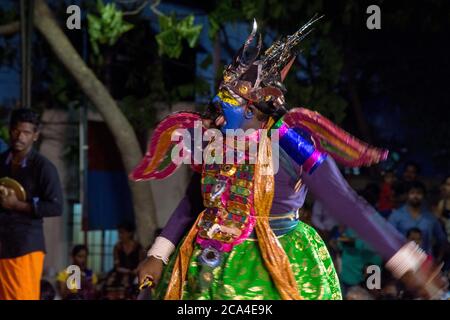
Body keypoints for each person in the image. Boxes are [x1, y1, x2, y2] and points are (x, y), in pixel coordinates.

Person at [134, 18, 447, 300]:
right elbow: (194, 201)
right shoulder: (217, 140)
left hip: (277, 268)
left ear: (251, 109)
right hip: (205, 269)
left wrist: (409, 263)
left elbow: (350, 207)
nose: (215, 119)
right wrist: (159, 254)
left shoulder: (293, 145)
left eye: (224, 107)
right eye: (216, 106)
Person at [0, 108, 63, 300]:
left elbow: (55, 206)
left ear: (35, 136)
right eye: (17, 131)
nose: (20, 137)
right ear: (10, 131)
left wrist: (17, 205)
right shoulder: (1, 161)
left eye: (26, 133)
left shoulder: (43, 167)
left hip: (26, 246)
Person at [389, 181, 448, 255]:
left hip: (425, 261)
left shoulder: (430, 217)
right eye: (412, 193)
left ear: (423, 196)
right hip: (402, 260)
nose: (415, 196)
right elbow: (388, 239)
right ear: (407, 195)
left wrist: (439, 259)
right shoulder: (396, 216)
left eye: (419, 193)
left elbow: (442, 239)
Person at [102, 222, 145, 299]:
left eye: (122, 233)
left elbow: (141, 262)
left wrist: (135, 271)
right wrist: (128, 271)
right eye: (119, 233)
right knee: (108, 284)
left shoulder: (138, 247)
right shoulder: (117, 247)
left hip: (135, 272)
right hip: (120, 272)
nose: (120, 235)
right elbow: (117, 266)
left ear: (130, 233)